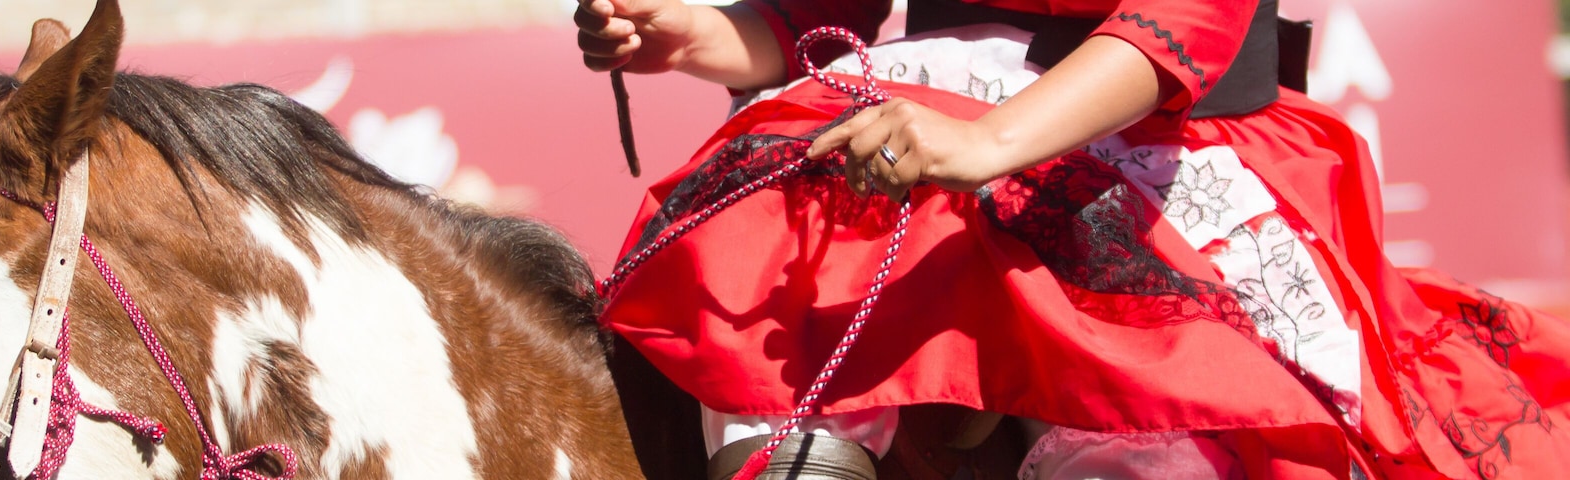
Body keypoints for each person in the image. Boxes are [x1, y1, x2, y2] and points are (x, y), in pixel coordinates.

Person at [578, 0, 1570, 479]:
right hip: (923, 105)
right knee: (782, 209)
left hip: (1155, 127)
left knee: (1161, 383)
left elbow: (1188, 17)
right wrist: (700, 36)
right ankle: (798, 455)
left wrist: (988, 144)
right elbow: (819, 12)